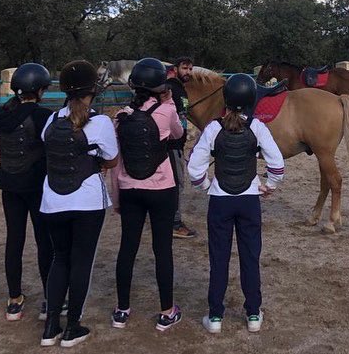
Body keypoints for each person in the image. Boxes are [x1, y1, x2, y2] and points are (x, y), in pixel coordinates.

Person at [187, 73, 285, 334]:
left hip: (220, 202)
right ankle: (253, 313)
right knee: (250, 257)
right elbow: (277, 164)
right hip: (249, 201)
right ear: (252, 99)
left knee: (218, 258)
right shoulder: (258, 127)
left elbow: (195, 170)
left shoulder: (213, 128)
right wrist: (270, 187)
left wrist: (207, 187)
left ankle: (216, 317)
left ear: (226, 100)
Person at [40, 60, 119, 347]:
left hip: (52, 200)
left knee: (59, 259)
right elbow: (112, 159)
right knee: (81, 262)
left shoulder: (50, 121)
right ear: (93, 90)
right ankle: (73, 326)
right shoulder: (100, 122)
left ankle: (50, 327)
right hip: (86, 201)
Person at [109, 58, 184, 332]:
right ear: (159, 86)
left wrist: (116, 199)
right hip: (162, 188)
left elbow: (116, 164)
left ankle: (122, 310)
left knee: (127, 248)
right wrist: (169, 103)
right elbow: (178, 132)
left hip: (130, 189)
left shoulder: (120, 117)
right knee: (162, 249)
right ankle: (167, 311)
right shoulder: (166, 111)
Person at [0, 63, 54, 321]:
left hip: (9, 183)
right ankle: (50, 297)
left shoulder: (2, 113)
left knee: (14, 240)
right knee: (44, 241)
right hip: (36, 185)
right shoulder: (43, 116)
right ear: (38, 89)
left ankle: (14, 299)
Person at [166, 56, 197, 238]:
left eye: (190, 68)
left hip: (178, 144)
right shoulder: (171, 88)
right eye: (185, 68)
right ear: (176, 68)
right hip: (171, 145)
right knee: (177, 184)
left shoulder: (180, 88)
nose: (188, 72)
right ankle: (175, 224)